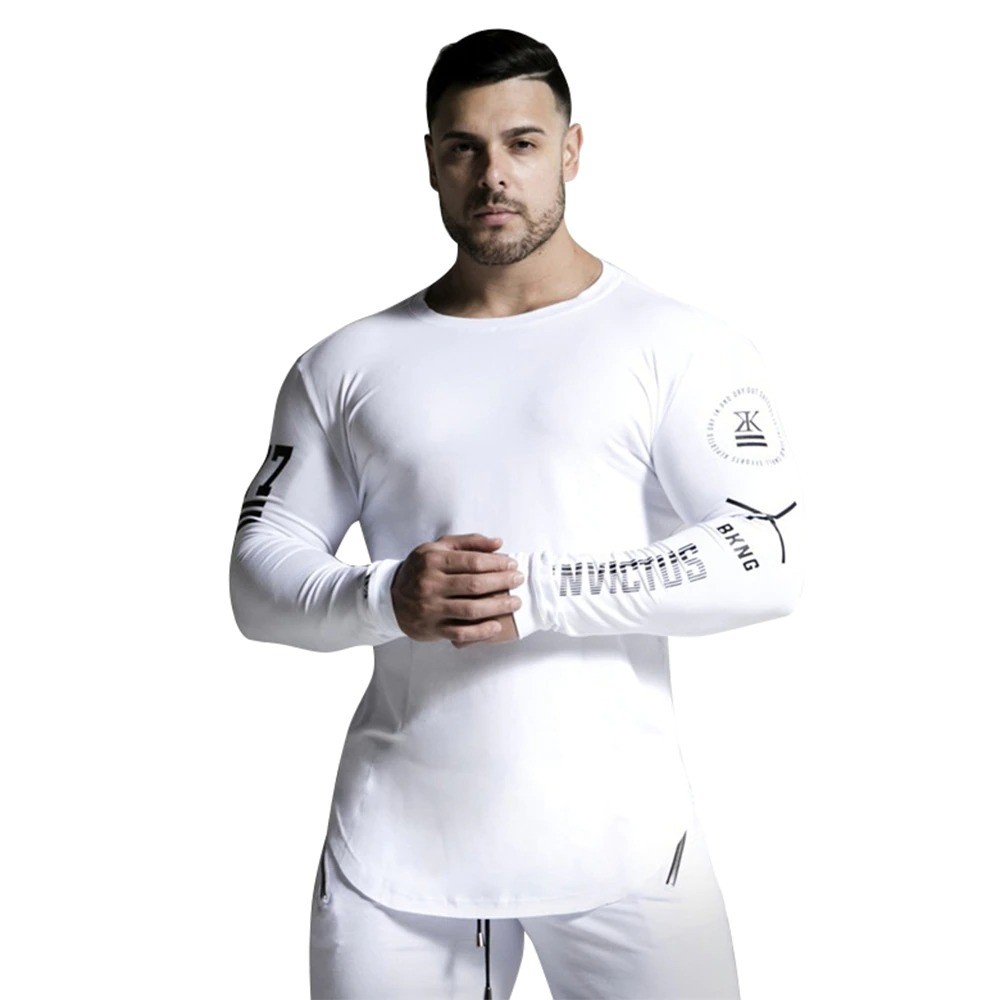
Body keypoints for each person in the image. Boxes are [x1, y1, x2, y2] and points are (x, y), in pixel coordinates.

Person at [229, 26, 802, 1000]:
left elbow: (768, 556)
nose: (493, 174)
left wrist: (538, 589)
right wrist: (384, 596)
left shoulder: (679, 344)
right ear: (430, 161)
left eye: (522, 143)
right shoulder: (344, 364)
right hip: (396, 853)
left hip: (625, 847)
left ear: (571, 150)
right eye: (464, 147)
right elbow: (257, 576)